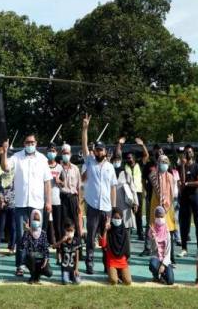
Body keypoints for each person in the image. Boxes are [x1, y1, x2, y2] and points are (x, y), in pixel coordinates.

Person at [0, 134, 53, 276]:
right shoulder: (17, 157)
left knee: (37, 235)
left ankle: (39, 264)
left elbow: (47, 182)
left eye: (32, 142)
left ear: (36, 143)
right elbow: (5, 167)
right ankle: (21, 265)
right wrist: (4, 152)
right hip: (21, 203)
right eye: (27, 142)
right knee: (21, 236)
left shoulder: (42, 159)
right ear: (24, 143)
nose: (30, 144)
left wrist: (48, 201)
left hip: (37, 204)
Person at [80, 114, 117, 274]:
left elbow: (113, 188)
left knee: (105, 239)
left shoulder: (110, 167)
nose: (97, 151)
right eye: (96, 149)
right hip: (93, 206)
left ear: (105, 151)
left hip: (106, 208)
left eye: (100, 149)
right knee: (90, 238)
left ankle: (107, 264)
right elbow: (83, 146)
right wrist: (85, 128)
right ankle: (89, 264)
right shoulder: (90, 161)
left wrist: (114, 209)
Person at [148, 154, 178, 264]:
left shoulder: (171, 176)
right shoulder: (153, 175)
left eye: (166, 162)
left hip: (168, 207)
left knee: (169, 231)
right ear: (158, 163)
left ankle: (171, 258)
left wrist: (166, 206)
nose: (164, 164)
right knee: (155, 230)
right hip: (156, 206)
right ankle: (156, 256)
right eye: (162, 161)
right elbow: (156, 191)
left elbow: (172, 193)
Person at [177, 145, 198, 257]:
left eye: (190, 152)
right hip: (184, 198)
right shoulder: (180, 166)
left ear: (193, 153)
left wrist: (188, 184)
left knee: (197, 222)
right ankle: (184, 248)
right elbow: (182, 182)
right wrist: (182, 165)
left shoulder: (196, 166)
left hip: (195, 197)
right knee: (184, 223)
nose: (188, 154)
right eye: (186, 152)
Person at [119, 139, 144, 240]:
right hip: (128, 193)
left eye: (130, 157)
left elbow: (146, 155)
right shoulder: (124, 167)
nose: (129, 159)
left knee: (138, 214)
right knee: (128, 212)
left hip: (138, 192)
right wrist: (120, 144)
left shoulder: (139, 165)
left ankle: (140, 232)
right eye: (127, 158)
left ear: (133, 158)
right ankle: (127, 230)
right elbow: (118, 155)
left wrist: (142, 145)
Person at [99, 208, 132, 285]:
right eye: (115, 218)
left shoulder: (125, 232)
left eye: (118, 218)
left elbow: (127, 250)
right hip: (111, 261)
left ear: (122, 219)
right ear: (112, 218)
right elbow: (102, 244)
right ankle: (113, 273)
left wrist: (126, 260)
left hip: (122, 261)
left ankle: (120, 273)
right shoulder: (109, 230)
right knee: (113, 281)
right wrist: (105, 230)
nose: (116, 220)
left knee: (128, 281)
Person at [20, 209, 52, 284]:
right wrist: (26, 232)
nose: (35, 221)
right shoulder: (28, 232)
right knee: (31, 255)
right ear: (31, 220)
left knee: (49, 272)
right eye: (34, 219)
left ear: (40, 221)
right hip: (30, 259)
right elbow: (22, 245)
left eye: (37, 220)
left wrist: (46, 260)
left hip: (40, 259)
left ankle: (37, 275)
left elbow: (46, 249)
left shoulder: (43, 233)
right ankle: (33, 275)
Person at [111, 149, 138, 233]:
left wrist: (136, 203)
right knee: (113, 228)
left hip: (125, 205)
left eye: (118, 159)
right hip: (112, 205)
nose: (117, 161)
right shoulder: (108, 172)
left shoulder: (126, 174)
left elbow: (133, 189)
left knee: (125, 229)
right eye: (115, 159)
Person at [58, 143, 82, 239]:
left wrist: (79, 204)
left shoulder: (75, 169)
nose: (66, 155)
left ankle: (77, 241)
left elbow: (79, 187)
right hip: (62, 198)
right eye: (64, 153)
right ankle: (64, 242)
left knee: (75, 221)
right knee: (63, 221)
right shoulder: (58, 168)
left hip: (73, 198)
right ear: (61, 153)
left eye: (67, 153)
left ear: (71, 154)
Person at [149, 206, 174, 285]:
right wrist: (153, 237)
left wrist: (163, 264)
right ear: (155, 217)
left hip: (165, 260)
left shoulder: (167, 231)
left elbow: (168, 251)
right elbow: (153, 250)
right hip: (156, 257)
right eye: (158, 216)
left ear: (164, 216)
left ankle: (162, 275)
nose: (160, 218)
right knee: (153, 265)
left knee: (170, 281)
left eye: (161, 216)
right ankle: (156, 275)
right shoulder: (151, 229)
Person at [0, 158, 16, 252]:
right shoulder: (0, 177)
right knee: (0, 226)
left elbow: (17, 191)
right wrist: (2, 200)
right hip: (3, 205)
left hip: (13, 205)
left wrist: (11, 201)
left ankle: (12, 246)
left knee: (13, 226)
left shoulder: (15, 177)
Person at [46, 144, 63, 244]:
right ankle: (46, 243)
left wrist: (59, 181)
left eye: (53, 151)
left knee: (57, 224)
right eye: (49, 151)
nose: (51, 153)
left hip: (56, 200)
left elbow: (63, 184)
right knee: (46, 224)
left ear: (56, 153)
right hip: (45, 200)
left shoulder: (59, 168)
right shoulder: (43, 165)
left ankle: (58, 244)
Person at [55, 220, 81, 285]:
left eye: (71, 231)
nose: (69, 232)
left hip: (72, 268)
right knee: (65, 282)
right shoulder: (63, 240)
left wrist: (76, 269)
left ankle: (72, 276)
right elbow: (53, 246)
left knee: (77, 282)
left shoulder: (76, 241)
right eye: (68, 230)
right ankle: (65, 276)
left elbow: (77, 257)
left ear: (74, 231)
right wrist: (61, 241)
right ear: (65, 231)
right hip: (65, 268)